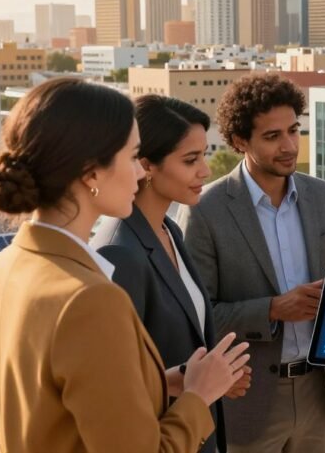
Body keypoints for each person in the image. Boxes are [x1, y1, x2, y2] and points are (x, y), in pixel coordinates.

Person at [0, 77, 250, 453]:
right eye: (132, 156)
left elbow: (60, 404)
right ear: (91, 172)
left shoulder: (4, 267)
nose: (140, 172)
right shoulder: (90, 299)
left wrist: (166, 382)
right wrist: (198, 397)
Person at [178, 74, 325, 453]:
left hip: (319, 394)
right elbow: (198, 317)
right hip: (247, 399)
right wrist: (273, 309)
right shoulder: (204, 211)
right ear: (240, 141)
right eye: (272, 137)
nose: (289, 145)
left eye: (294, 130)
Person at [92, 95, 250, 453]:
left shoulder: (169, 230)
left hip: (195, 430)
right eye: (191, 160)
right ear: (146, 166)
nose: (206, 171)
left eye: (204, 156)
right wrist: (194, 385)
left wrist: (216, 377)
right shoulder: (118, 252)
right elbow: (121, 383)